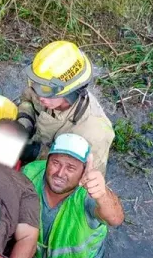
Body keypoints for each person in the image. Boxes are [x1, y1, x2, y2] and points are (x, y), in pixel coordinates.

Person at [21, 133, 124, 258]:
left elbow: (116, 219)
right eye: (56, 163)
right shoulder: (30, 173)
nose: (60, 173)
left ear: (83, 172)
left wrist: (102, 194)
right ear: (47, 160)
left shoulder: (87, 195)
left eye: (71, 168)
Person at [18, 40, 115, 176]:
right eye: (35, 84)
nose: (40, 96)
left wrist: (36, 152)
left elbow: (78, 180)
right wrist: (23, 126)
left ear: (70, 93)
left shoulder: (93, 134)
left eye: (45, 90)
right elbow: (27, 100)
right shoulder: (43, 87)